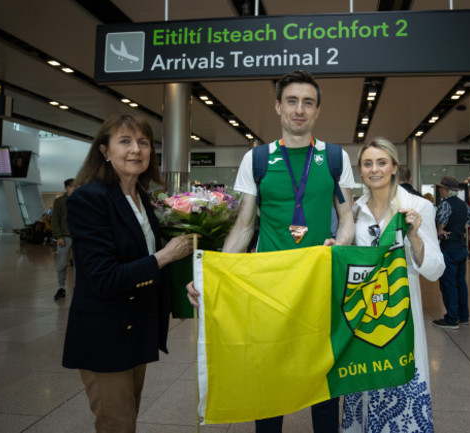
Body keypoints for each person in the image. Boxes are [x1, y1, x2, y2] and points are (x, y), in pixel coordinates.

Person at [187, 70, 355, 433]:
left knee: (325, 377)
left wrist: (339, 247)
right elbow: (245, 226)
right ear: (278, 106)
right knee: (269, 377)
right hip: (270, 287)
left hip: (318, 283)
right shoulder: (258, 159)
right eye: (292, 101)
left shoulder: (336, 158)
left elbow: (346, 218)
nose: (299, 110)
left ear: (317, 111)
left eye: (308, 103)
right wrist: (210, 276)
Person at [61, 114, 195, 433]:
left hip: (136, 328)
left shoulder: (142, 199)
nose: (136, 149)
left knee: (128, 418)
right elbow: (103, 277)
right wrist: (165, 256)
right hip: (105, 334)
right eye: (125, 141)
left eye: (143, 142)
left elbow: (145, 257)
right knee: (117, 424)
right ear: (105, 151)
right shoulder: (89, 198)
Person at [341, 137, 444, 433]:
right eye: (368, 163)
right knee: (362, 387)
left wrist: (414, 238)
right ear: (360, 170)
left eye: (381, 162)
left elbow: (436, 270)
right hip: (362, 319)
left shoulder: (418, 207)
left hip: (401, 316)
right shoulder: (353, 211)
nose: (375, 169)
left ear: (395, 167)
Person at [432, 176, 470, 329]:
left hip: (449, 248)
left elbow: (442, 218)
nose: (440, 191)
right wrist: (461, 226)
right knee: (460, 283)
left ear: (446, 190)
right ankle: (463, 316)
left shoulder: (445, 204)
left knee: (448, 284)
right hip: (461, 247)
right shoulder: (463, 204)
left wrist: (440, 230)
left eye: (441, 188)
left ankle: (452, 318)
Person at [52, 178, 75, 301]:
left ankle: (78, 288)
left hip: (79, 238)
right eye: (72, 186)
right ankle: (61, 288)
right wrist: (58, 236)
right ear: (66, 187)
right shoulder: (59, 201)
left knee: (80, 265)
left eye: (76, 186)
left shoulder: (81, 200)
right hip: (65, 237)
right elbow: (54, 219)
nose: (74, 188)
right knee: (62, 264)